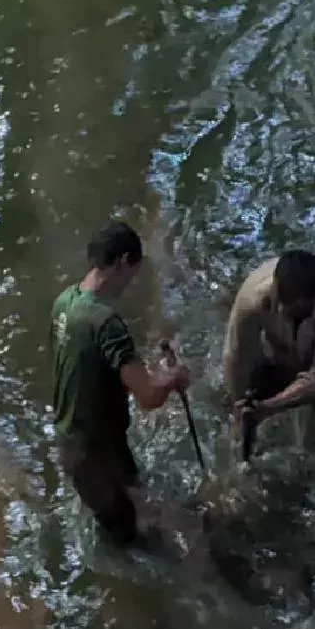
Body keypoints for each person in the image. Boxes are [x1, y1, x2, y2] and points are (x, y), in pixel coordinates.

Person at [50, 221, 191, 550]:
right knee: (130, 541)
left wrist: (148, 374)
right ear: (123, 262)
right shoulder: (107, 323)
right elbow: (149, 398)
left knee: (138, 508)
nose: (131, 282)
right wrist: (173, 377)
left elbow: (87, 369)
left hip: (77, 441)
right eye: (134, 271)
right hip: (95, 454)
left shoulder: (64, 303)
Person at [222, 249, 315, 429]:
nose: (287, 314)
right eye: (285, 307)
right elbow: (238, 358)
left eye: (300, 312)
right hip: (279, 350)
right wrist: (240, 408)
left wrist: (269, 407)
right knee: (233, 405)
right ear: (274, 287)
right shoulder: (252, 299)